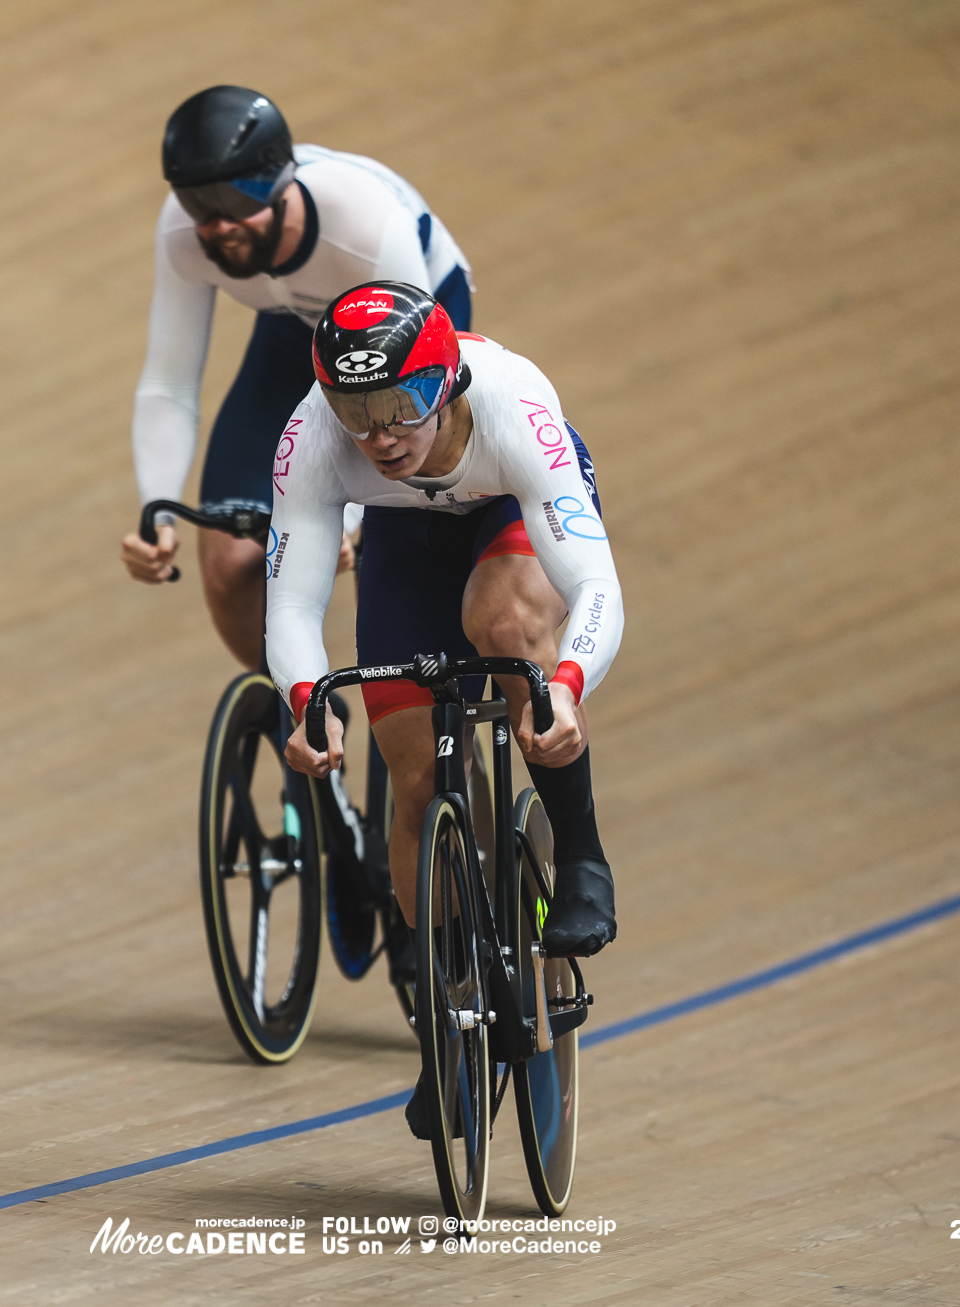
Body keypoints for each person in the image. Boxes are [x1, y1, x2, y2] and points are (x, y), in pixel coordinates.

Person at [264, 281, 622, 1139]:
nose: (381, 433)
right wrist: (309, 702)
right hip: (404, 541)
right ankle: (439, 1033)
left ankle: (581, 856)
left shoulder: (513, 400)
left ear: (448, 382)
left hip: (508, 518)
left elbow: (595, 584)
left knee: (500, 626)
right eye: (358, 410)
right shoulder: (313, 436)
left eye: (403, 405)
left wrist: (565, 684)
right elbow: (291, 607)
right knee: (413, 776)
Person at [118, 85, 473, 670]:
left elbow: (413, 395)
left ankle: (429, 724)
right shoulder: (184, 234)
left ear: (284, 183)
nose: (221, 224)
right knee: (231, 564)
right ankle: (304, 711)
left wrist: (354, 518)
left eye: (240, 200)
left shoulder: (362, 224)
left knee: (385, 548)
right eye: (201, 203)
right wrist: (156, 508)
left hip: (412, 338)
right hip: (299, 336)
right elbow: (169, 382)